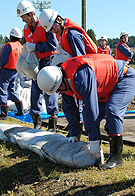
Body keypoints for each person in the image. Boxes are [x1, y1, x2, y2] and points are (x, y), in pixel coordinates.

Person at [37, 54, 135, 169]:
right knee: (95, 117)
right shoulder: (64, 82)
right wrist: (74, 132)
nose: (57, 93)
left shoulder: (80, 75)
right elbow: (70, 108)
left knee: (113, 111)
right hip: (106, 85)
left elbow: (90, 106)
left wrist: (94, 140)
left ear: (60, 82)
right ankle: (104, 148)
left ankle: (116, 156)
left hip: (124, 78)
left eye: (57, 90)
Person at [39, 8, 98, 137]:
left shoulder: (72, 33)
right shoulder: (62, 32)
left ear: (58, 20)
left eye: (53, 28)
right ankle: (74, 132)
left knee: (85, 102)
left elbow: (81, 59)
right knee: (67, 98)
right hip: (70, 71)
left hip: (83, 73)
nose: (53, 31)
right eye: (50, 30)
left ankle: (90, 134)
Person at [17, 0, 59, 132]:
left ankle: (52, 124)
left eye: (24, 17)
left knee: (50, 91)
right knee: (35, 92)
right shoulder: (26, 29)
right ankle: (37, 123)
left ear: (31, 14)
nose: (23, 21)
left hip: (49, 61)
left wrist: (35, 47)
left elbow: (53, 45)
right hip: (36, 63)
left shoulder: (44, 25)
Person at [0, 27, 24, 120]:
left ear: (11, 36)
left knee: (2, 90)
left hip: (6, 70)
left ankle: (3, 113)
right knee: (12, 89)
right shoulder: (21, 46)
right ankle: (20, 109)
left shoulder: (9, 46)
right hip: (15, 71)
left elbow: (3, 60)